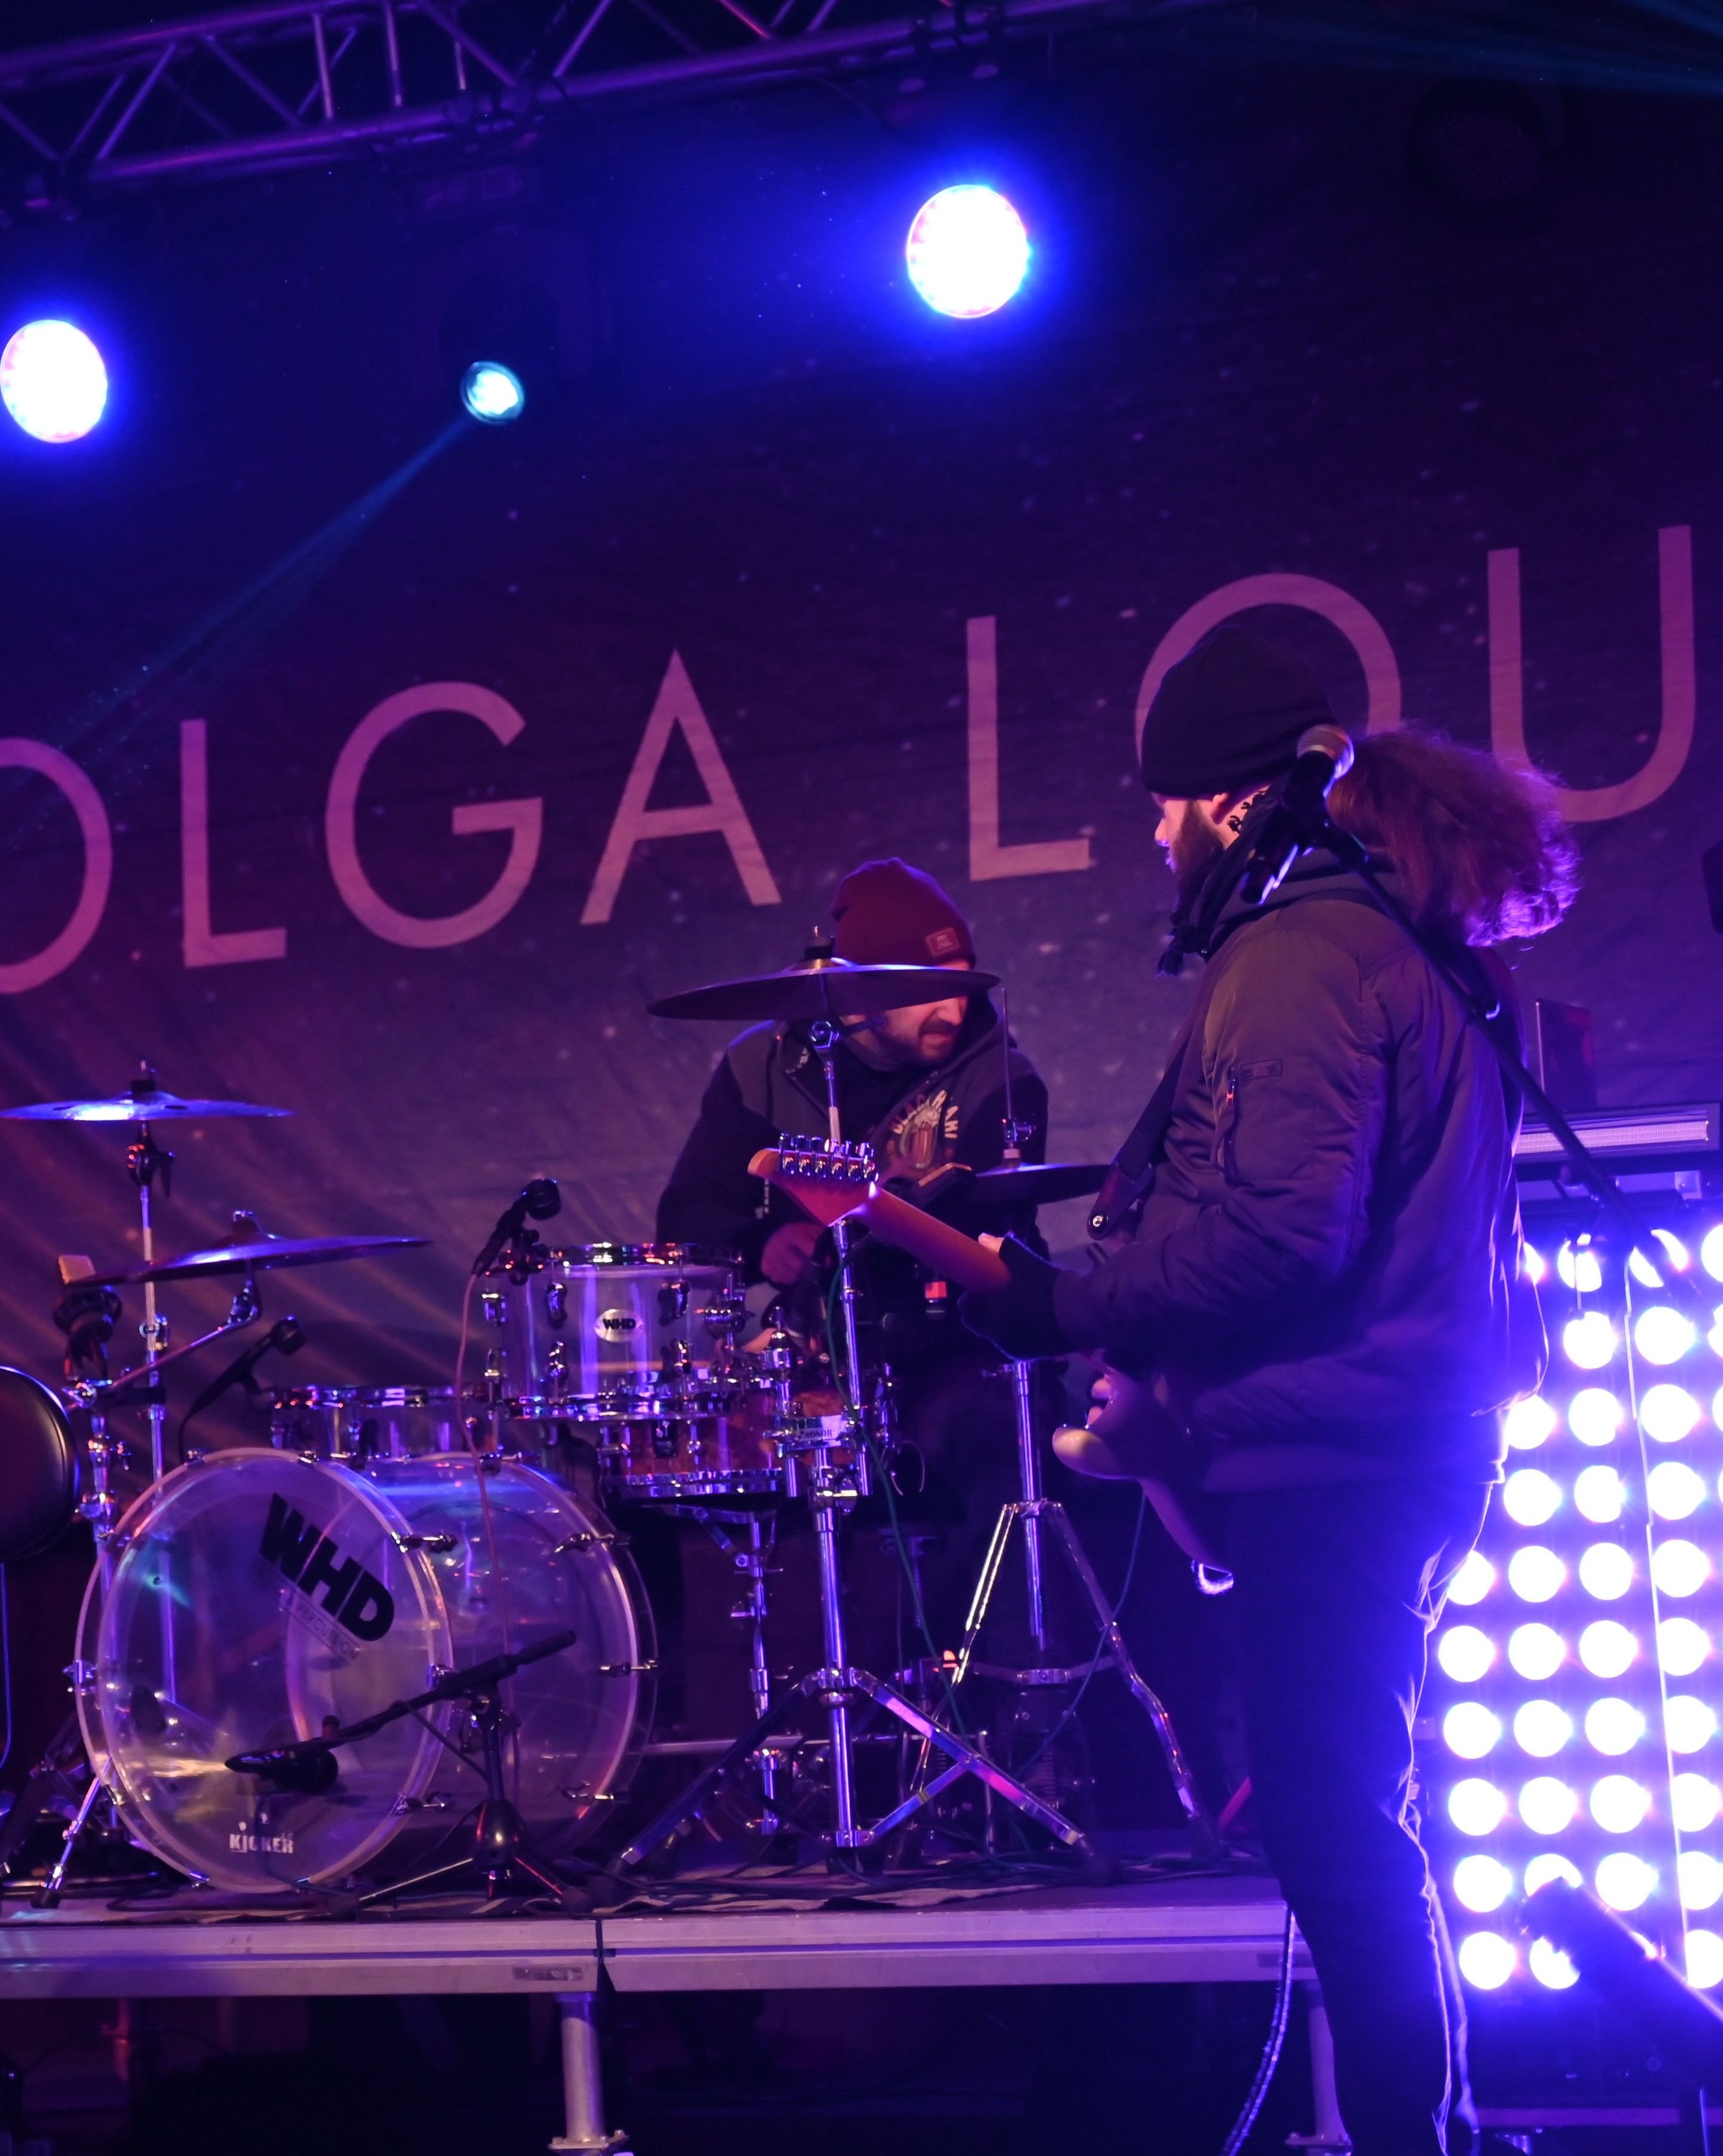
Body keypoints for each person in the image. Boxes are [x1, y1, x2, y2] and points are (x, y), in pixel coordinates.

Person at [958, 624, 1570, 2156]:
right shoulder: (1406, 940)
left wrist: (1063, 1301)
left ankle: (1416, 2141)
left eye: (1167, 804)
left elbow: (1281, 1240)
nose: (1155, 834)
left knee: (1332, 1822)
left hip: (1336, 1455)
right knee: (1344, 1808)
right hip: (1393, 1438)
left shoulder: (1301, 956)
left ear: (1232, 803)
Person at [654, 857, 1051, 1658]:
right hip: (819, 1348)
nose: (955, 1008)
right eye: (927, 991)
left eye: (962, 986)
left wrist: (864, 1226)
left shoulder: (1000, 1076)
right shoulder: (759, 1067)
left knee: (995, 1438)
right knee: (670, 1466)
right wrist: (764, 1243)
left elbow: (976, 1224)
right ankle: (771, 1695)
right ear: (862, 998)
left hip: (946, 1346)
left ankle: (989, 1687)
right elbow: (687, 1214)